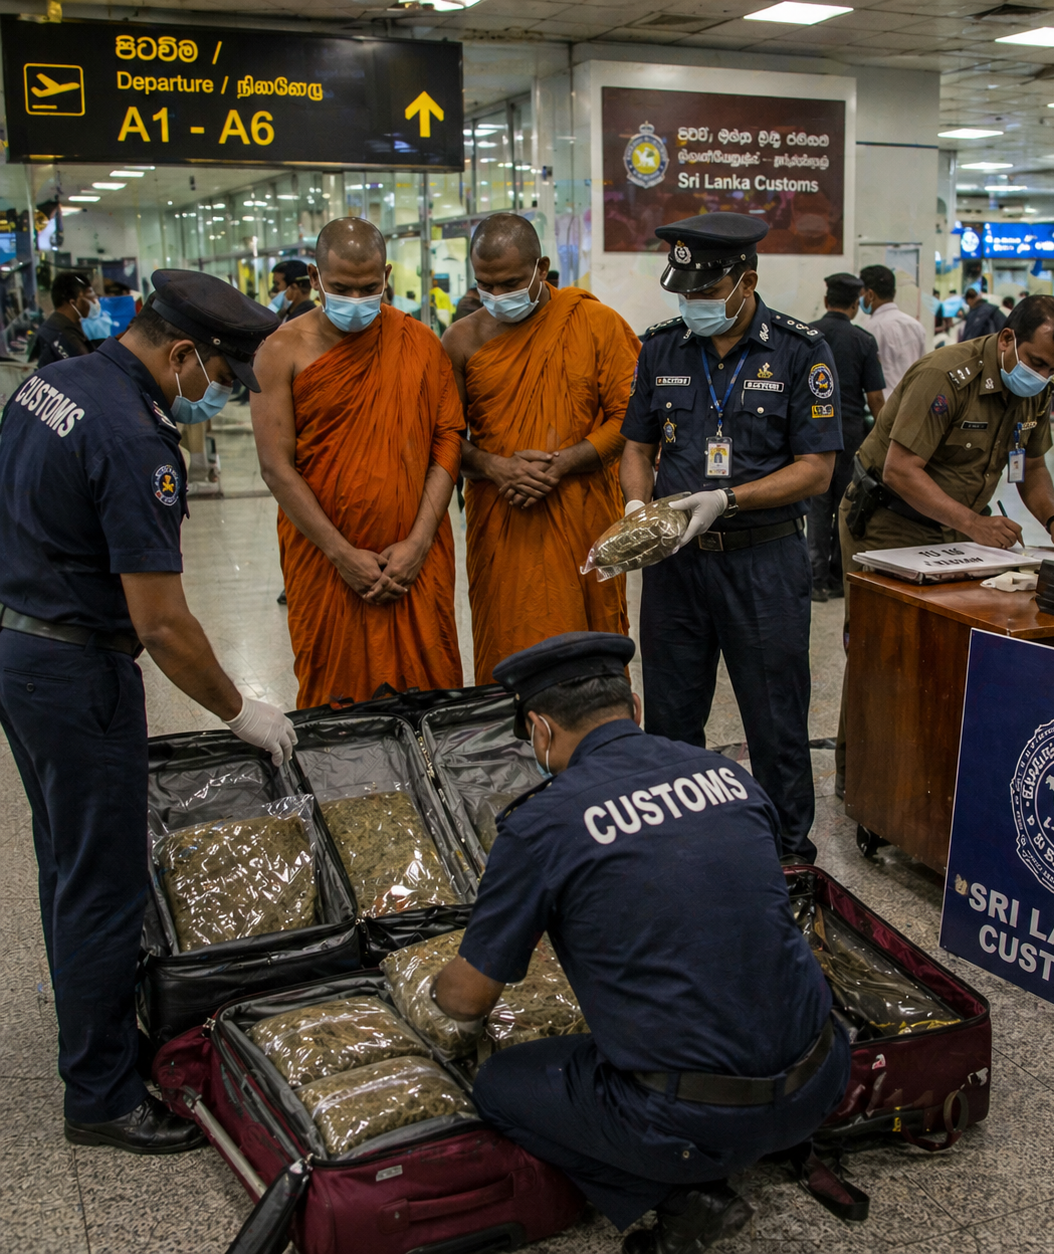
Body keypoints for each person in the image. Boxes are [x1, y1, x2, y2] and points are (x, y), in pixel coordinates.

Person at [426, 632, 848, 1253]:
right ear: (636, 708)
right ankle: (754, 1140)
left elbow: (467, 1001)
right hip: (823, 1077)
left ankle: (678, 1199)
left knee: (501, 1087)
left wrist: (432, 981)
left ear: (539, 730)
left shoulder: (543, 823)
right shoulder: (726, 775)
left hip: (695, 1120)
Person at [0, 270, 293, 1153]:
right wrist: (242, 709)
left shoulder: (54, 382)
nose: (224, 396)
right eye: (222, 377)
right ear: (180, 354)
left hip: (20, 643)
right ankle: (100, 1094)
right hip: (75, 667)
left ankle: (95, 1039)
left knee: (66, 863)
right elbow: (160, 620)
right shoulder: (135, 437)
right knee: (105, 881)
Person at [620, 212, 841, 863]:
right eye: (683, 294)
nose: (692, 306)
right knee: (670, 715)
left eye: (705, 294)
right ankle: (678, 842)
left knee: (774, 716)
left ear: (747, 280)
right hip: (676, 565)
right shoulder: (661, 347)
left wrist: (728, 498)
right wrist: (637, 504)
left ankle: (787, 846)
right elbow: (637, 444)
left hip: (763, 562)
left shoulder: (801, 352)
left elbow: (817, 469)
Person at [835, 295, 1054, 797]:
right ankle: (861, 774)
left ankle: (937, 770)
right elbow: (900, 470)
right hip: (889, 520)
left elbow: (1031, 466)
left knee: (950, 644)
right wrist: (975, 524)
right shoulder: (945, 375)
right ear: (1006, 339)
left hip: (956, 526)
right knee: (881, 646)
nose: (1043, 375)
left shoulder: (1035, 389)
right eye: (1037, 362)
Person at [252, 217, 463, 708]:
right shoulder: (280, 351)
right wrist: (340, 554)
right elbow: (276, 467)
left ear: (386, 274)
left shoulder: (420, 343)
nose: (356, 300)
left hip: (416, 557)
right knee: (336, 701)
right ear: (315, 276)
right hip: (326, 562)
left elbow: (447, 439)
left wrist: (418, 541)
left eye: (370, 287)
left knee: (428, 695)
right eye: (341, 288)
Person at [441, 214, 638, 681]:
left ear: (542, 267)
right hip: (502, 518)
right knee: (510, 641)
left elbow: (630, 419)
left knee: (587, 657)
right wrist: (495, 466)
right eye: (485, 285)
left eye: (510, 282)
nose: (497, 296)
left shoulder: (596, 323)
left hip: (583, 514)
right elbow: (446, 436)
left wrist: (563, 462)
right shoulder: (460, 340)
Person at [809, 272, 886, 602]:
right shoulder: (864, 340)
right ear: (856, 305)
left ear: (826, 301)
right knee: (845, 506)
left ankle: (814, 581)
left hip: (811, 435)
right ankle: (839, 579)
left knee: (815, 506)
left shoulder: (808, 336)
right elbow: (876, 399)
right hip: (850, 435)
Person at [858, 264, 927, 396]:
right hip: (911, 403)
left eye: (861, 293)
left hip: (882, 407)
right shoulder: (916, 326)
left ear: (870, 294)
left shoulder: (870, 329)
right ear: (894, 293)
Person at [29, 271, 95, 366]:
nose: (93, 301)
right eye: (88, 296)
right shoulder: (63, 336)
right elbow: (87, 370)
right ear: (73, 302)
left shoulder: (59, 326)